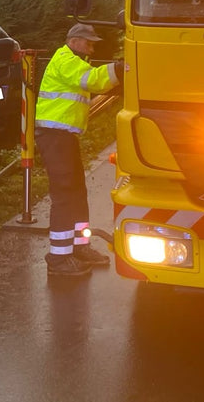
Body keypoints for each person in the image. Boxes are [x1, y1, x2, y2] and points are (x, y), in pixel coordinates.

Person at [35, 22, 122, 278]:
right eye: (89, 42)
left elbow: (96, 82)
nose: (93, 47)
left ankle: (79, 246)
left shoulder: (74, 61)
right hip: (54, 136)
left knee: (76, 192)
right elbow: (93, 80)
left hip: (63, 137)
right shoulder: (65, 59)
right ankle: (59, 259)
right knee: (65, 194)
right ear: (74, 41)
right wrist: (121, 68)